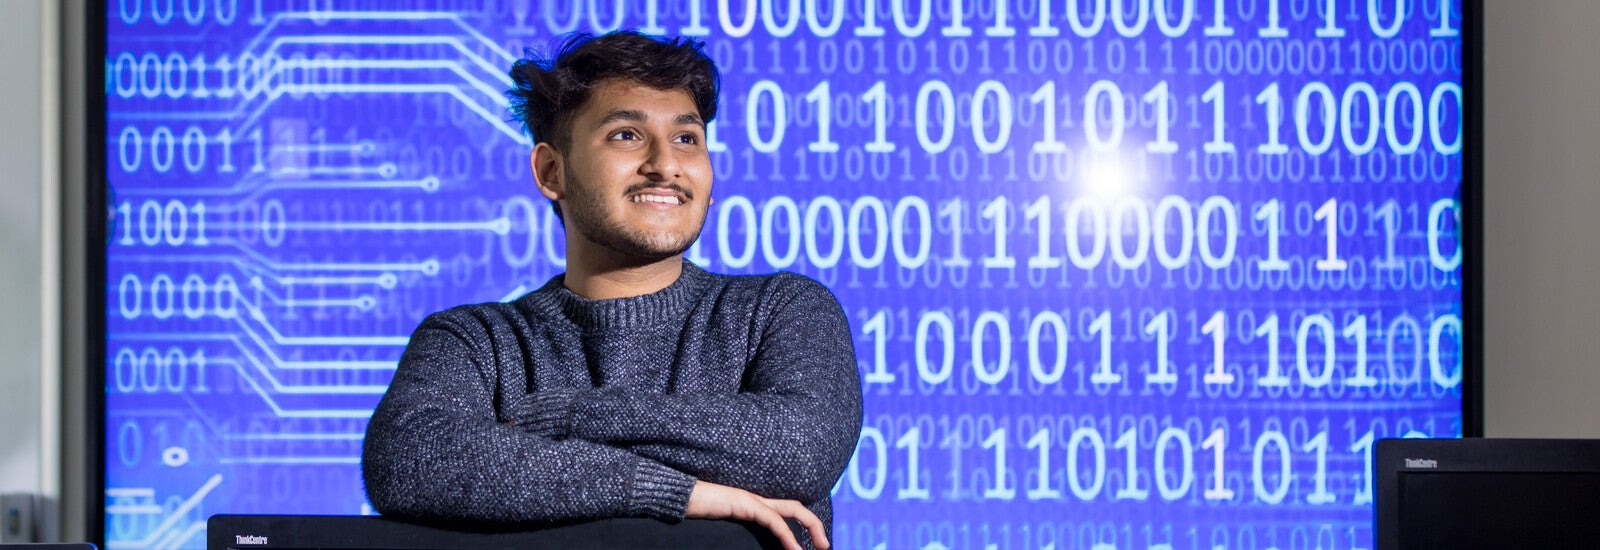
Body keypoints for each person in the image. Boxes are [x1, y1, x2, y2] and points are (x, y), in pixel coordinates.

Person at [360, 31, 862, 550]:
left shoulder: (780, 310)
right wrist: (672, 492)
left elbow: (801, 448)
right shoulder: (474, 341)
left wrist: (567, 418)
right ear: (551, 171)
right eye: (626, 134)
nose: (666, 164)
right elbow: (407, 457)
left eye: (687, 139)